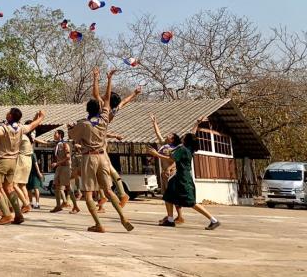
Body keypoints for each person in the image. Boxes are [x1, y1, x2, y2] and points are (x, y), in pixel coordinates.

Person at [67, 68, 133, 233]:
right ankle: (123, 217)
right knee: (108, 190)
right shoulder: (105, 118)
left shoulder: (83, 124)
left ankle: (98, 224)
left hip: (90, 158)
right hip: (103, 156)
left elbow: (73, 136)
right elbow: (108, 99)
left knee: (88, 193)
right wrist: (109, 79)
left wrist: (95, 78)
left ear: (87, 110)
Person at [147, 132, 220, 230]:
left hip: (183, 179)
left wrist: (156, 154)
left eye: (184, 137)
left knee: (191, 202)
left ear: (187, 140)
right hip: (179, 177)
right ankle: (170, 219)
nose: (182, 138)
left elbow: (171, 158)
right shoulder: (188, 149)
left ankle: (213, 220)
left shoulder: (183, 149)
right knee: (168, 197)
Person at [149, 114, 209, 225]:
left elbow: (177, 158)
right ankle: (171, 217)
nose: (167, 136)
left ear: (173, 139)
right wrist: (154, 123)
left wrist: (160, 158)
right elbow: (158, 134)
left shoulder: (179, 148)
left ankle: (177, 217)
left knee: (175, 197)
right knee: (169, 197)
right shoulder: (165, 145)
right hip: (167, 174)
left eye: (170, 135)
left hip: (174, 174)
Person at [13, 132, 34, 213]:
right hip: (28, 160)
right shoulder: (28, 138)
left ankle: (26, 204)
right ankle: (26, 204)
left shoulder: (22, 136)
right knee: (22, 185)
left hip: (22, 160)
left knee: (14, 184)